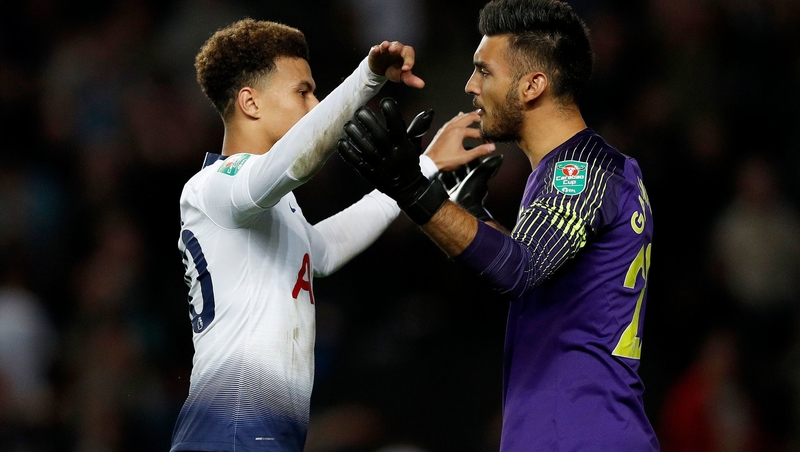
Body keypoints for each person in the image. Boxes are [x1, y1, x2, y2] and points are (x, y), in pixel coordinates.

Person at [336, 0, 659, 450]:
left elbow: (518, 270)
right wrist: (475, 218)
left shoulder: (579, 170)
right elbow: (544, 272)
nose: (471, 86)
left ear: (532, 85)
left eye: (484, 71)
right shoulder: (577, 170)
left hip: (580, 434)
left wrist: (412, 190)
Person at [171, 18, 492, 452]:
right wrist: (368, 77)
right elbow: (295, 162)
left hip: (258, 434)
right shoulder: (215, 187)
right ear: (250, 102)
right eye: (303, 91)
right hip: (231, 431)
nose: (315, 103)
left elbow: (321, 251)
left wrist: (424, 169)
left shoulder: (268, 206)